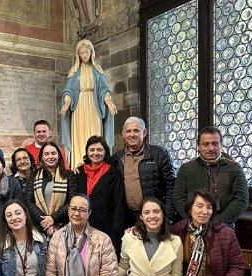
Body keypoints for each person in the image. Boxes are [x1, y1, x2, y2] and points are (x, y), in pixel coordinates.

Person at [173, 126, 249, 276]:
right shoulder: (187, 169)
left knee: (221, 272)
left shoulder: (233, 168)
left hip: (223, 232)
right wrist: (193, 219)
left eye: (215, 143)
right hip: (192, 229)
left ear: (221, 144)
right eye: (205, 144)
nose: (210, 147)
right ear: (198, 145)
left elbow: (241, 199)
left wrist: (218, 223)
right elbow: (179, 199)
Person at [60, 39, 117, 168]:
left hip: (94, 106)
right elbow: (68, 90)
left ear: (92, 53)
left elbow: (104, 89)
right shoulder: (74, 71)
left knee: (94, 132)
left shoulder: (97, 70)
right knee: (79, 135)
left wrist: (108, 102)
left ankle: (96, 163)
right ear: (78, 55)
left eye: (87, 52)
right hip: (79, 106)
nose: (85, 55)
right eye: (82, 53)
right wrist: (67, 102)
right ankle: (79, 163)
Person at [111, 117, 176, 226]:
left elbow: (171, 186)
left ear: (144, 132)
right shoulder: (116, 158)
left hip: (153, 217)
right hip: (126, 218)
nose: (132, 135)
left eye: (136, 130)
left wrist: (168, 216)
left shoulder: (158, 154)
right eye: (128, 131)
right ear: (123, 134)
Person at [76, 135, 126, 249]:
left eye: (99, 150)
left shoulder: (114, 173)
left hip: (105, 227)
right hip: (81, 227)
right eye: (92, 150)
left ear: (105, 152)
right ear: (87, 152)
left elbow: (119, 205)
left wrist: (115, 236)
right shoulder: (79, 172)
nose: (95, 153)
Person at [25, 141, 78, 237]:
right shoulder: (33, 175)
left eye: (53, 153)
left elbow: (72, 201)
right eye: (46, 154)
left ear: (59, 156)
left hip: (63, 226)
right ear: (42, 157)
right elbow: (29, 201)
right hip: (39, 228)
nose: (50, 157)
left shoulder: (69, 175)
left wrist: (53, 218)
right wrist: (45, 222)